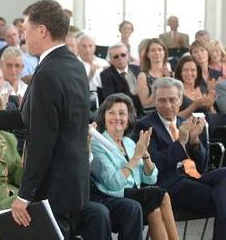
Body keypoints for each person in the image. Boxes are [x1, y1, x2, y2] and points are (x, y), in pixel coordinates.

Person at [0, 0, 99, 238]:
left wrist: (24, 196)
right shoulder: (73, 65)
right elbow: (30, 116)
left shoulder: (47, 73)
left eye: (26, 30)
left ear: (42, 31)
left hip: (53, 185)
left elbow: (43, 139)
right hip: (73, 182)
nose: (23, 37)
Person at [134, 77, 226, 239]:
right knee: (222, 197)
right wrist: (181, 141)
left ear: (181, 100)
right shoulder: (145, 126)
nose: (168, 105)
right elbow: (155, 166)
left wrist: (195, 141)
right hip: (170, 183)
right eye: (162, 100)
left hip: (195, 178)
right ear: (154, 101)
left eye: (172, 99)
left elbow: (203, 167)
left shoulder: (186, 122)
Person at [91, 93, 178, 240]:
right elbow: (113, 183)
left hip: (135, 194)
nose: (117, 117)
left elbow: (151, 179)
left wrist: (144, 154)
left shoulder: (130, 143)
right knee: (162, 195)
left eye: (122, 113)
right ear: (103, 118)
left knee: (155, 211)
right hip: (114, 195)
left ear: (129, 118)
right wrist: (136, 157)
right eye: (111, 112)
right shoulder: (97, 143)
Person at [137, 38, 171, 109]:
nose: (157, 53)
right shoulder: (143, 76)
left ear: (164, 52)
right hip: (152, 113)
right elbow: (145, 104)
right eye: (153, 50)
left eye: (159, 49)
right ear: (148, 54)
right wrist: (162, 81)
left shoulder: (172, 75)